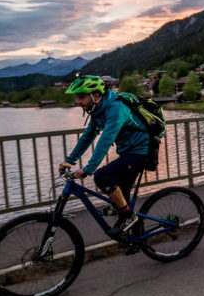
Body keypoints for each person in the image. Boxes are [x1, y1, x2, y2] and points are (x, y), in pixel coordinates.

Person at [58, 75, 151, 236]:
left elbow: (105, 141)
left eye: (81, 97)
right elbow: (87, 137)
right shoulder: (97, 111)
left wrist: (88, 169)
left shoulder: (116, 109)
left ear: (96, 95)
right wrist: (69, 161)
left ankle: (128, 216)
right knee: (122, 198)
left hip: (141, 151)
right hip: (127, 152)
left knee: (102, 176)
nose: (78, 101)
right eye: (77, 97)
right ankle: (135, 239)